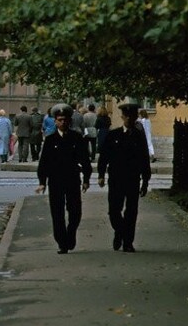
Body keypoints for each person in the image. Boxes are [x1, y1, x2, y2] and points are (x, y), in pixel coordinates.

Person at [36, 104, 92, 254]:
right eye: (60, 120)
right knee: (57, 212)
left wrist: (86, 178)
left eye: (65, 120)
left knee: (75, 211)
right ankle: (62, 242)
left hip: (72, 179)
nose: (63, 122)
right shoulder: (50, 140)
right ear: (55, 121)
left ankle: (71, 232)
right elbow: (44, 163)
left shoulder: (76, 138)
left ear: (69, 121)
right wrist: (42, 182)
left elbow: (85, 160)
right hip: (55, 181)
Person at [98, 102, 152, 252]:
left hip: (133, 178)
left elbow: (144, 159)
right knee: (114, 211)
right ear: (123, 117)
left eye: (132, 116)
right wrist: (101, 174)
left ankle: (128, 242)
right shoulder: (113, 135)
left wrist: (145, 181)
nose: (129, 119)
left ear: (135, 117)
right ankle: (120, 232)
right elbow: (104, 156)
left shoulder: (138, 136)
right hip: (116, 178)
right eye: (127, 116)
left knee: (131, 211)